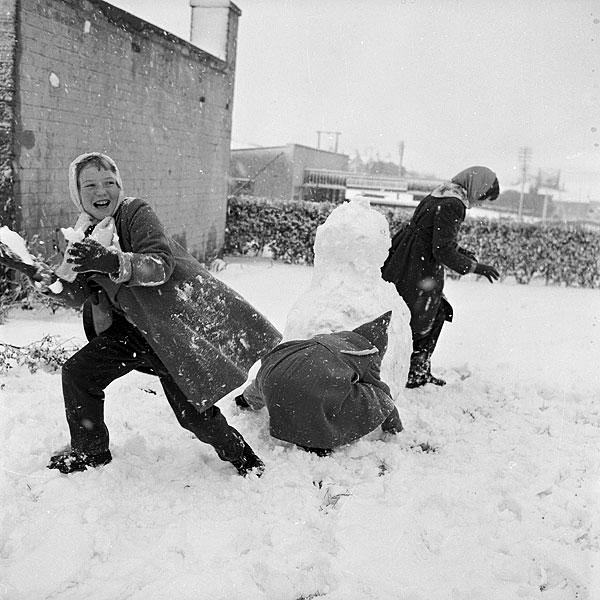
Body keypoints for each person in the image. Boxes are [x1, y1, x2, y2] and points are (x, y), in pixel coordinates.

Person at [21, 152, 281, 475]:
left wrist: (113, 262)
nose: (101, 191)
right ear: (77, 193)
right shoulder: (84, 235)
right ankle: (91, 451)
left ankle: (245, 459)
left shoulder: (135, 213)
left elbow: (160, 264)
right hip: (129, 332)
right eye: (90, 185)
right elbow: (80, 292)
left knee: (193, 417)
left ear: (119, 186)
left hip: (167, 332)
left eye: (108, 183)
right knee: (78, 374)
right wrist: (42, 279)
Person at [381, 166, 500, 389]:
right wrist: (476, 267)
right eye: (484, 197)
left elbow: (433, 235)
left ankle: (413, 369)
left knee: (416, 313)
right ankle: (414, 372)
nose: (481, 202)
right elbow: (442, 249)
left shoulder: (442, 192)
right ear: (478, 187)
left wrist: (460, 253)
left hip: (404, 257)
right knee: (428, 314)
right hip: (418, 266)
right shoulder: (453, 204)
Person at [234, 312, 403, 455]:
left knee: (287, 377)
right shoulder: (369, 355)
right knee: (373, 394)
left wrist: (247, 398)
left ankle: (245, 400)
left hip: (273, 373)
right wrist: (394, 425)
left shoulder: (330, 339)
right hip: (308, 389)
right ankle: (315, 441)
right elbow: (381, 392)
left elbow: (278, 377)